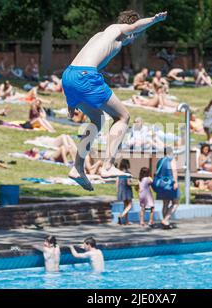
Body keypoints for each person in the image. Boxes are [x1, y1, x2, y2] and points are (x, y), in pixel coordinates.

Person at [62, 10, 168, 191]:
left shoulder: (101, 37)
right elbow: (134, 27)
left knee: (98, 119)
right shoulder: (117, 29)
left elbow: (81, 63)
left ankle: (77, 168)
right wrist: (153, 20)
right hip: (85, 76)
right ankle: (107, 166)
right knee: (123, 117)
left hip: (69, 76)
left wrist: (71, 102)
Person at [154, 147, 180, 229]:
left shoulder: (160, 160)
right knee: (175, 203)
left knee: (165, 203)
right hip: (170, 183)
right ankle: (165, 219)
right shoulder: (171, 160)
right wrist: (175, 181)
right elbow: (174, 170)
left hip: (162, 184)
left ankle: (165, 223)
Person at [117, 159, 133, 225]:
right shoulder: (128, 173)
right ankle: (121, 216)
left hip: (121, 190)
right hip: (127, 190)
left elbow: (117, 182)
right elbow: (128, 183)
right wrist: (135, 184)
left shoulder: (119, 172)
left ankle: (126, 221)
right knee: (130, 205)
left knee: (125, 205)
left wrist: (118, 191)